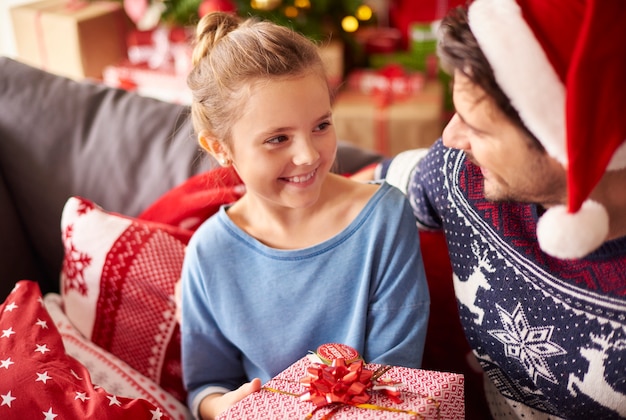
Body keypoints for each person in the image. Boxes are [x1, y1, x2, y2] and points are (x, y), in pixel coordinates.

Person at [368, 0, 626, 418]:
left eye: (477, 126)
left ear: (563, 145)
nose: (451, 137)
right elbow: (362, 187)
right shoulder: (461, 172)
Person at [179, 11, 430, 420]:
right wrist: (221, 407)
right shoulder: (208, 253)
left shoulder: (384, 218)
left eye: (321, 126)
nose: (309, 155)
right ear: (220, 147)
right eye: (278, 138)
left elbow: (397, 379)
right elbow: (205, 386)